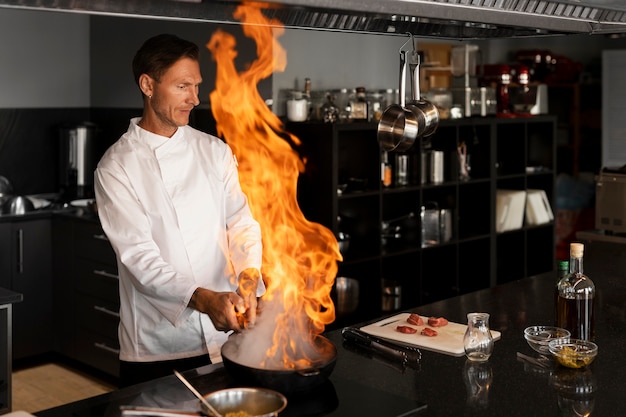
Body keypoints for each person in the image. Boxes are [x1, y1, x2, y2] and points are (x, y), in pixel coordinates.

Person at [94, 33, 265, 387]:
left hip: (227, 337)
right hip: (159, 348)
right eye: (182, 86)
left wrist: (249, 276)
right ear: (148, 85)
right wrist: (203, 300)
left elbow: (240, 223)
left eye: (197, 86)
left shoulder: (214, 150)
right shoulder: (117, 167)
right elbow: (140, 259)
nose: (195, 98)